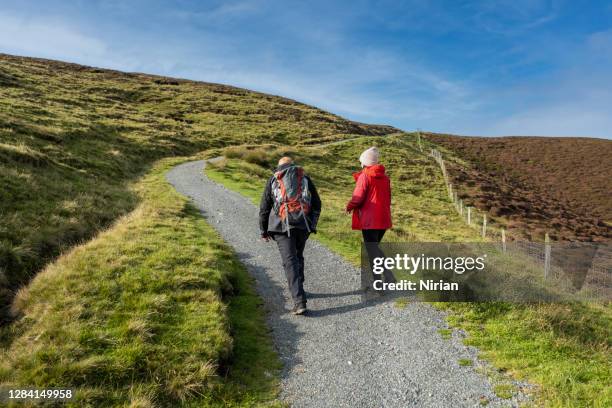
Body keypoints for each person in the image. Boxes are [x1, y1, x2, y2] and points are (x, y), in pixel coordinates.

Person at [259, 156, 321, 315]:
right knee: (298, 256)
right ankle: (300, 289)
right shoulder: (304, 178)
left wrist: (263, 230)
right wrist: (312, 224)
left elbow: (264, 207)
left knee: (289, 261)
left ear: (278, 166)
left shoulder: (273, 179)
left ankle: (299, 301)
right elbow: (317, 203)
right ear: (292, 165)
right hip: (303, 224)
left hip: (281, 226)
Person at [345, 147, 395, 289]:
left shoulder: (364, 176)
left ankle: (378, 284)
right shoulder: (385, 178)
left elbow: (358, 197)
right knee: (375, 249)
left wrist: (349, 207)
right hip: (384, 219)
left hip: (370, 220)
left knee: (372, 251)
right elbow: (389, 199)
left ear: (365, 162)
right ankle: (389, 276)